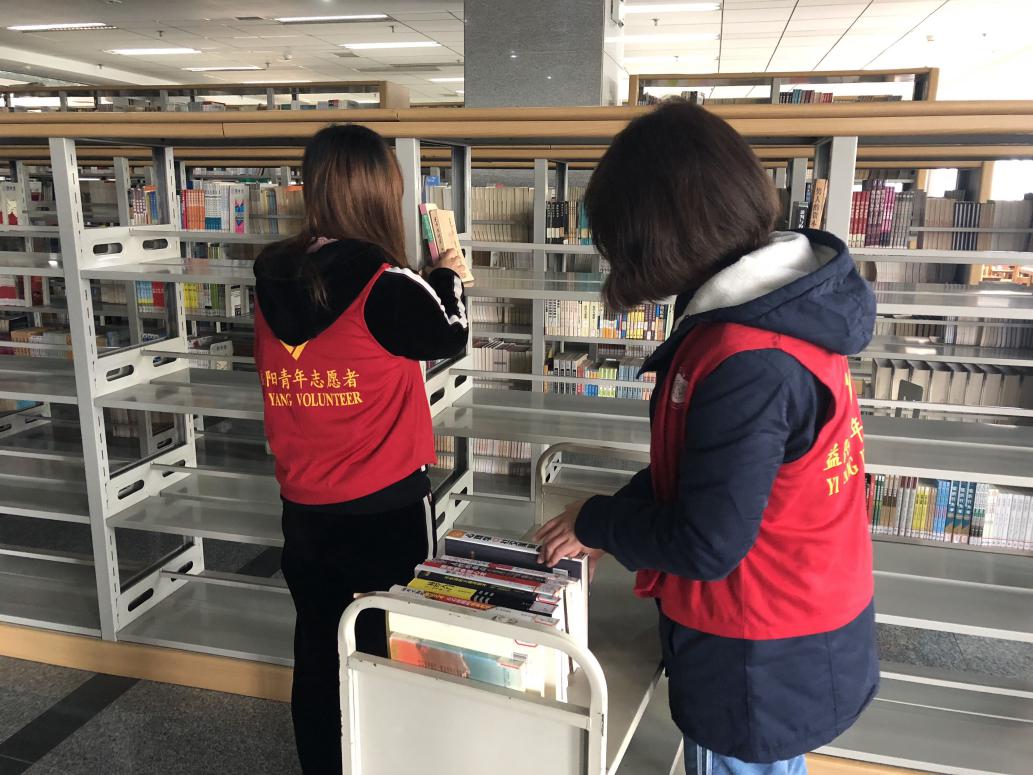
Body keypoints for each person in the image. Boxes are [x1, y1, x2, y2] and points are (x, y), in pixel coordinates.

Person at [536, 101, 879, 775]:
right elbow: (708, 472)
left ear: (657, 236)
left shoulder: (748, 359)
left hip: (761, 649)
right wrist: (603, 521)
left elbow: (706, 542)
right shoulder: (783, 313)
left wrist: (598, 519)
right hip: (796, 621)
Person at [253, 124, 469, 774]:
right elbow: (451, 334)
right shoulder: (387, 283)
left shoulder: (271, 276)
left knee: (319, 647)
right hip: (385, 507)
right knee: (391, 644)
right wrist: (450, 274)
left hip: (303, 505)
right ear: (379, 193)